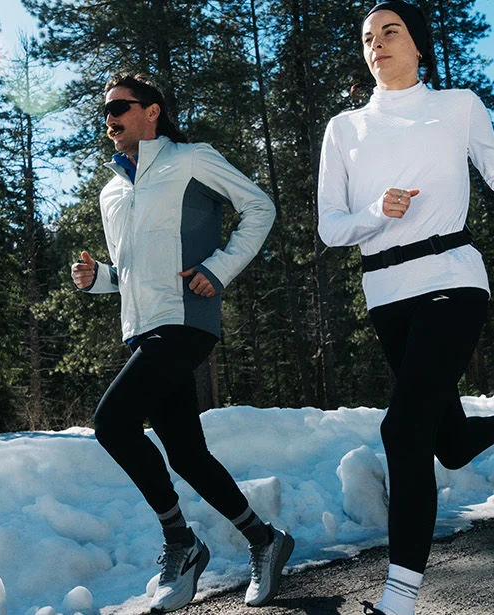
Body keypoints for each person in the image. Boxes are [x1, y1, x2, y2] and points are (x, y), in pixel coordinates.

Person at [314, 3, 494, 615]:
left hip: (452, 276)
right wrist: (376, 214)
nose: (377, 44)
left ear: (419, 45)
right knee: (443, 442)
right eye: (368, 37)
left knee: (401, 429)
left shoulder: (456, 106)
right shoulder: (344, 128)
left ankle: (399, 599)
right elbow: (331, 226)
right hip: (386, 293)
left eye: (390, 32)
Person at [70, 73, 288, 612]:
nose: (110, 118)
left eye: (119, 106)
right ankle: (264, 539)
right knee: (187, 453)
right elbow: (132, 270)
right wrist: (99, 279)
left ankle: (182, 542)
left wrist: (220, 267)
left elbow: (260, 207)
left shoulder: (191, 159)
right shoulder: (112, 191)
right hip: (141, 328)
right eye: (105, 111)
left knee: (113, 423)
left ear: (152, 112)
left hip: (187, 319)